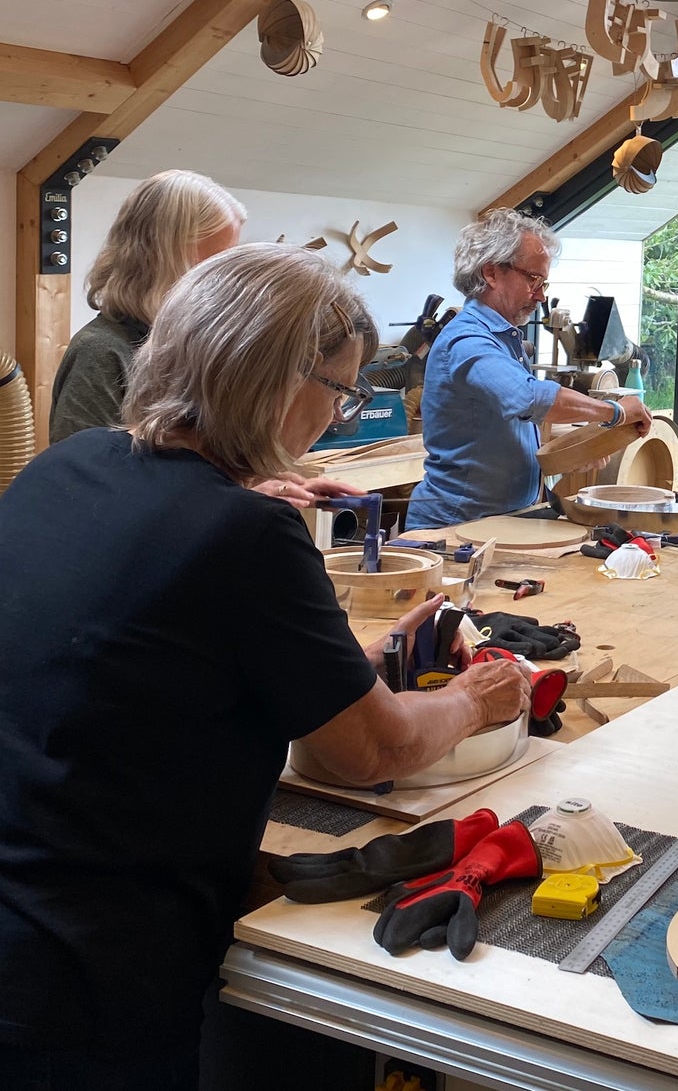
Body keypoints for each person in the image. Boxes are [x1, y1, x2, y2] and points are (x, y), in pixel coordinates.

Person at [0, 244, 530, 1088]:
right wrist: (476, 696)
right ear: (280, 380)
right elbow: (374, 754)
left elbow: (135, 668)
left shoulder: (65, 467)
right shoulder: (244, 534)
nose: (339, 415)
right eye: (341, 390)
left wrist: (327, 670)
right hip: (89, 975)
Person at [407, 208, 650, 529]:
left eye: (544, 282)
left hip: (501, 520)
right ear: (491, 273)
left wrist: (568, 457)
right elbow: (528, 398)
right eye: (533, 279)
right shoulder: (467, 340)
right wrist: (614, 412)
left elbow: (507, 431)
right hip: (456, 526)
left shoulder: (502, 338)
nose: (541, 295)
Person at [50, 170, 247, 444]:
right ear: (164, 260)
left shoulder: (191, 348)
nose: (221, 282)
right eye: (209, 267)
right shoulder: (101, 354)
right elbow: (80, 480)